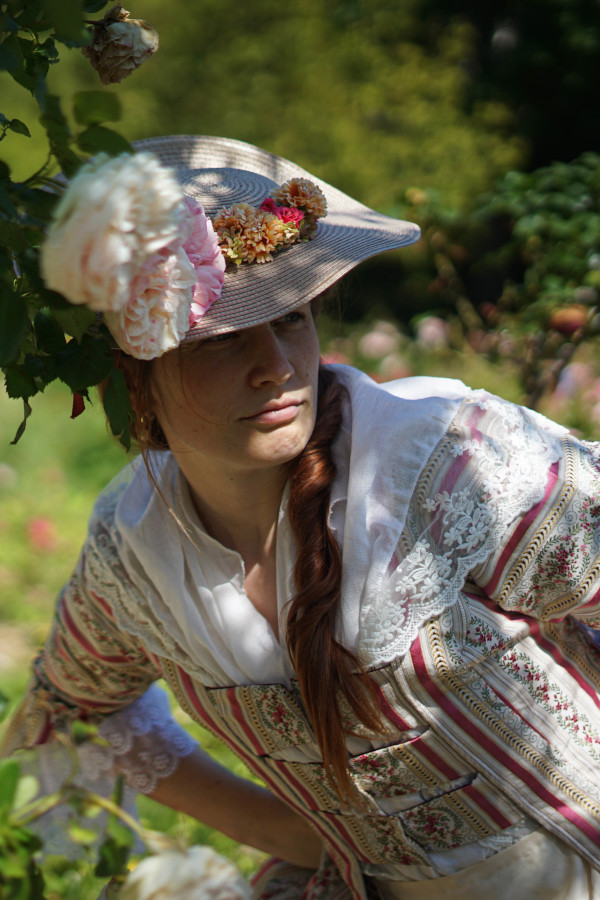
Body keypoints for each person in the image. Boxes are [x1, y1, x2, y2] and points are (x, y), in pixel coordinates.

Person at [3, 133, 600, 900]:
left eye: (291, 319)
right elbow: (75, 711)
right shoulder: (136, 553)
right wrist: (297, 836)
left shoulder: (448, 464)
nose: (278, 368)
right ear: (130, 369)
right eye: (222, 341)